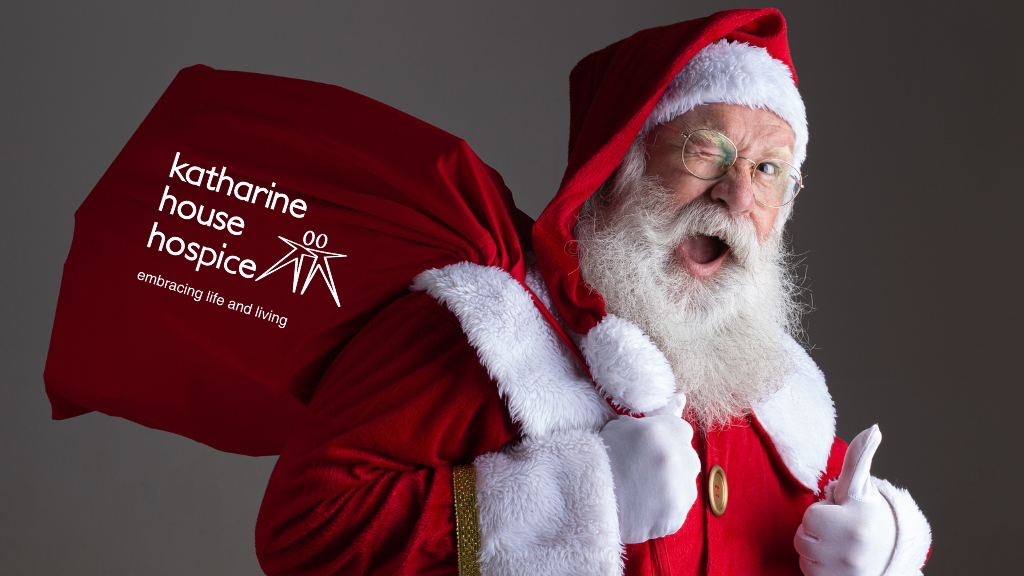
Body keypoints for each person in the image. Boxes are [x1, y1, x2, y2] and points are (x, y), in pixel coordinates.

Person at [254, 8, 931, 575]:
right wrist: (576, 498)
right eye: (706, 152)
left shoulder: (781, 401)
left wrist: (888, 543)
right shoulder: (488, 332)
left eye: (769, 170)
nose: (737, 194)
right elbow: (307, 527)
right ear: (620, 168)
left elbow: (849, 526)